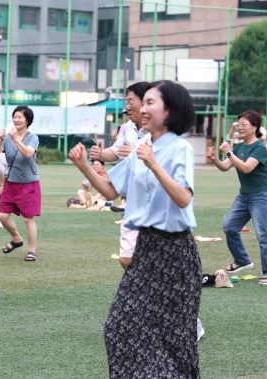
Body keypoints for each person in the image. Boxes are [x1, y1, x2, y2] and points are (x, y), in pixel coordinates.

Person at [70, 80, 201, 377]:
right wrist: (84, 166)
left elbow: (183, 198)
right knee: (118, 325)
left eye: (151, 102)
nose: (142, 108)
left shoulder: (179, 149)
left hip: (175, 253)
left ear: (169, 111)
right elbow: (111, 190)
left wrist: (154, 165)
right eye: (144, 102)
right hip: (146, 250)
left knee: (174, 339)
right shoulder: (144, 148)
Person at [207, 110, 267, 285]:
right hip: (244, 195)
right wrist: (215, 158)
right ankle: (243, 260)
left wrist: (229, 153)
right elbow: (225, 167)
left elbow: (246, 168)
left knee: (263, 235)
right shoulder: (239, 147)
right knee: (229, 227)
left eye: (243, 124)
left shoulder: (259, 147)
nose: (239, 127)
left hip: (261, 195)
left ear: (254, 127)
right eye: (239, 124)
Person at [90, 82, 150, 269]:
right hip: (133, 198)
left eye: (131, 101)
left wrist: (136, 153)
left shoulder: (158, 132)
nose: (127, 106)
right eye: (127, 100)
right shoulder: (126, 128)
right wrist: (100, 154)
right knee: (126, 258)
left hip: (155, 200)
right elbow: (116, 152)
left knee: (153, 255)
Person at [0, 106, 41, 262]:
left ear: (28, 120)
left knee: (28, 219)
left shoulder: (32, 138)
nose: (16, 120)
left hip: (28, 184)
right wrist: (0, 139)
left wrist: (15, 140)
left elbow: (27, 154)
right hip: (11, 183)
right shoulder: (8, 137)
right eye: (14, 117)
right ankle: (16, 239)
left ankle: (31, 250)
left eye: (20, 117)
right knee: (2, 216)